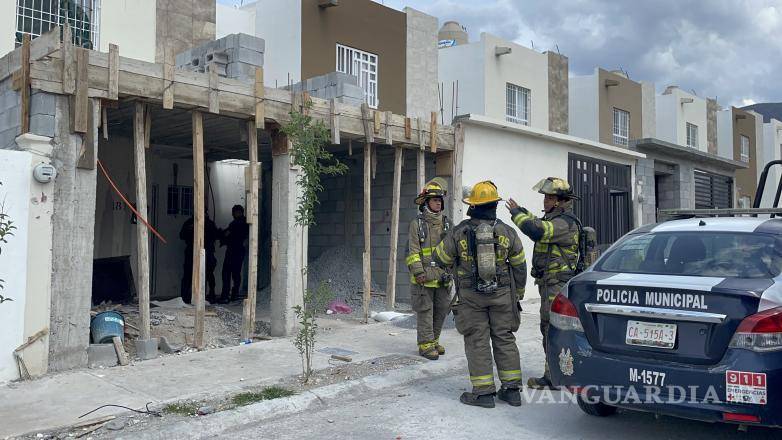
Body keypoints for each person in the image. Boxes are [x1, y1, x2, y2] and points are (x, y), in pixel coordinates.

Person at [433, 181, 527, 408]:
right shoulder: (507, 231)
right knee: (504, 338)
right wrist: (519, 293)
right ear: (494, 205)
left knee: (477, 340)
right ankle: (512, 391)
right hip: (503, 295)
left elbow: (440, 259)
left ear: (473, 206)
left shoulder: (460, 231)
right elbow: (520, 266)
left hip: (471, 297)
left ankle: (483, 394)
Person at [506, 177, 580, 390]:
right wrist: (521, 210)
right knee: (548, 328)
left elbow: (537, 231)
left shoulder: (564, 223)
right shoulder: (556, 219)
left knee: (552, 329)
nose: (545, 200)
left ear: (560, 201)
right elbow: (539, 223)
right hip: (550, 284)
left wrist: (516, 214)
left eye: (549, 197)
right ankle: (556, 374)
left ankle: (554, 377)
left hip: (556, 285)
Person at [406, 178, 452, 361]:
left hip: (442, 277)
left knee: (441, 310)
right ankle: (425, 345)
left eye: (440, 200)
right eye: (434, 200)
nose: (438, 202)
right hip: (423, 278)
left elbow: (453, 250)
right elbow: (413, 251)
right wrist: (418, 272)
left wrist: (452, 272)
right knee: (426, 311)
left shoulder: (448, 224)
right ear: (426, 202)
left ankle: (433, 341)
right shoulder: (417, 224)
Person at [179, 210, 220, 304]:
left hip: (207, 251)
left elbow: (215, 235)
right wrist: (191, 229)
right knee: (188, 274)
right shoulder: (190, 222)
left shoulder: (209, 223)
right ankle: (185, 297)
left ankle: (209, 295)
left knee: (208, 274)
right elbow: (182, 235)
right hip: (191, 251)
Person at [219, 204, 250, 304]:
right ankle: (230, 294)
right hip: (233, 250)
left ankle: (231, 294)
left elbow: (231, 234)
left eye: (238, 212)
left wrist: (224, 234)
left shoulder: (241, 223)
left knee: (234, 273)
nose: (236, 214)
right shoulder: (235, 223)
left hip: (236, 250)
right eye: (235, 212)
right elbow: (228, 233)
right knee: (229, 273)